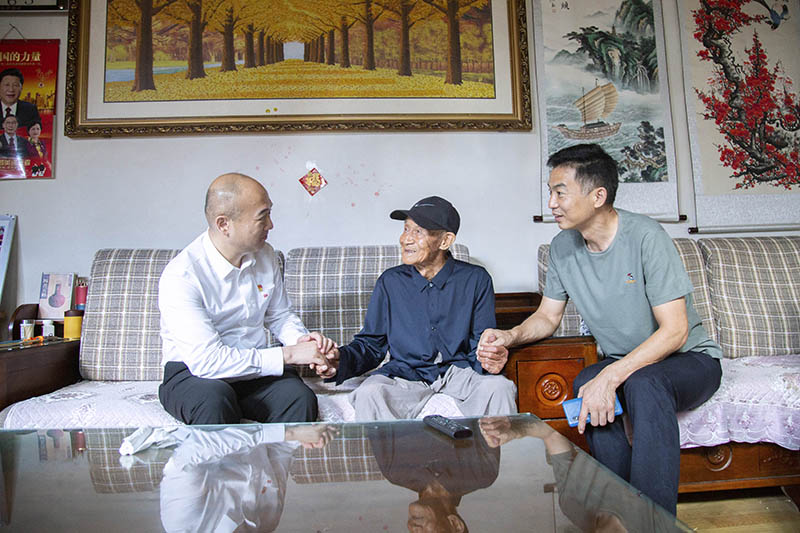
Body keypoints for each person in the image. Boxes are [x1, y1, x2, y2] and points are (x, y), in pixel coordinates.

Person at [477, 144, 722, 515]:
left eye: (560, 192)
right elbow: (547, 317)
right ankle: (615, 511)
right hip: (630, 364)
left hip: (689, 360)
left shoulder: (646, 236)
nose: (552, 203)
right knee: (586, 381)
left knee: (641, 383)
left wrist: (611, 376)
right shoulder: (562, 248)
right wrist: (508, 337)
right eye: (550, 192)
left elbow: (675, 332)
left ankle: (652, 521)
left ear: (598, 196)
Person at [158, 172, 337, 425]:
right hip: (194, 373)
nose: (271, 225)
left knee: (298, 398)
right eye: (262, 216)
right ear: (224, 224)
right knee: (214, 400)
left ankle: (283, 454)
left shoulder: (265, 255)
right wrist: (290, 354)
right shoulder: (182, 275)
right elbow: (207, 362)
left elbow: (279, 315)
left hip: (252, 369)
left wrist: (305, 343)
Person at [317, 196, 518, 420]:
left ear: (445, 240)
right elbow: (372, 345)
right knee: (369, 393)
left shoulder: (475, 279)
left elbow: (480, 343)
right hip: (405, 374)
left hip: (458, 372)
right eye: (406, 229)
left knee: (499, 388)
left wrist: (491, 358)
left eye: (418, 232)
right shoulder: (390, 282)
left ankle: (491, 445)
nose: (406, 239)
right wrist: (339, 359)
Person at [159, 423, 336, 532]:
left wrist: (290, 433)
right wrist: (306, 438)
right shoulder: (267, 522)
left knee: (216, 406)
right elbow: (279, 450)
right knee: (302, 403)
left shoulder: (183, 524)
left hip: (212, 419)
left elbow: (193, 451)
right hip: (261, 417)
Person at [368, 419, 500, 532]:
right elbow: (491, 409)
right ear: (455, 524)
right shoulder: (483, 473)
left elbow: (372, 409)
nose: (414, 529)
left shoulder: (394, 472)